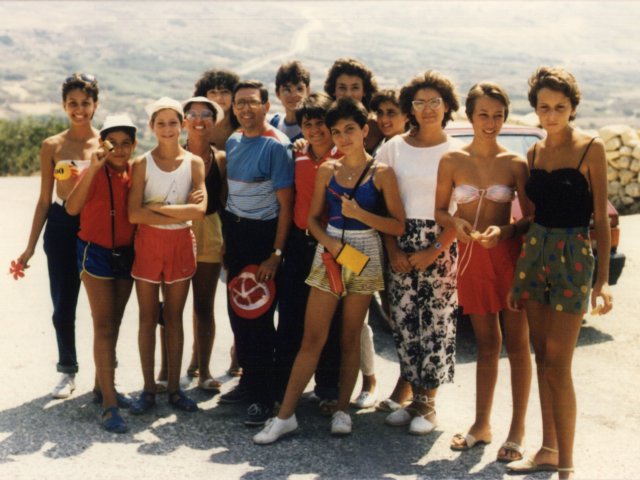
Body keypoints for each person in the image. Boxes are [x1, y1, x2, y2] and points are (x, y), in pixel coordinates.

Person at [253, 97, 405, 444]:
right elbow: (311, 219)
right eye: (336, 131)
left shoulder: (382, 173)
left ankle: (341, 410)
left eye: (350, 130)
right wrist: (332, 245)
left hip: (364, 253)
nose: (343, 137)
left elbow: (397, 226)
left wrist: (362, 215)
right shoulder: (327, 170)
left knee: (349, 337)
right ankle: (284, 416)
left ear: (365, 131)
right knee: (312, 337)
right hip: (331, 250)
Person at [506, 67, 613, 480]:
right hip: (535, 253)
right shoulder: (533, 154)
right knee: (540, 356)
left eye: (560, 107)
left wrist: (601, 282)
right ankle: (548, 449)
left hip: (573, 255)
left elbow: (601, 221)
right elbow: (531, 217)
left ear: (573, 108)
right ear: (535, 108)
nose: (552, 115)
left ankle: (566, 465)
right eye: (544, 107)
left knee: (558, 365)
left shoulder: (592, 148)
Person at [434, 82, 533, 462]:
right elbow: (440, 210)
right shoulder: (452, 161)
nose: (490, 122)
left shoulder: (514, 163)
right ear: (469, 116)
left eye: (497, 115)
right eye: (483, 114)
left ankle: (518, 429)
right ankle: (481, 424)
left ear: (504, 117)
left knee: (518, 346)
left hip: (509, 258)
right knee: (487, 344)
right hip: (471, 260)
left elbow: (530, 218)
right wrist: (455, 224)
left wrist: (505, 231)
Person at [377, 71, 460, 436]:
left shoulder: (456, 150)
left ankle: (429, 404)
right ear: (410, 107)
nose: (427, 109)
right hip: (399, 237)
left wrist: (436, 249)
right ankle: (413, 397)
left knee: (437, 324)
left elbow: (463, 210)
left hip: (441, 241)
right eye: (419, 102)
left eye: (435, 102)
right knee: (405, 320)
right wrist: (392, 246)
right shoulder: (393, 147)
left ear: (447, 106)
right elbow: (380, 201)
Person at [17, 73, 100, 399]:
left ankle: (107, 376)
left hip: (95, 228)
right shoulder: (52, 145)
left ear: (95, 104)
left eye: (85, 103)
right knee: (63, 305)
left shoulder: (104, 143)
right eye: (72, 104)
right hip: (61, 227)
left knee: (102, 308)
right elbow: (43, 200)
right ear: (64, 105)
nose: (79, 109)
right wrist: (29, 247)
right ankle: (67, 370)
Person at [219, 80, 293, 427]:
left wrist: (275, 253)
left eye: (252, 102)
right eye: (239, 103)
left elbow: (285, 205)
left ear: (266, 106)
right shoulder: (234, 140)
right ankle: (248, 382)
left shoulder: (277, 146)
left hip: (264, 238)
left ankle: (264, 397)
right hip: (236, 235)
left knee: (260, 317)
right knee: (239, 311)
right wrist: (226, 240)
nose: (245, 109)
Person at [127, 97, 207, 415]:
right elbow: (134, 214)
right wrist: (177, 211)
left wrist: (157, 208)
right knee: (148, 319)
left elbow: (199, 211)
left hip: (180, 244)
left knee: (174, 318)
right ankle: (149, 389)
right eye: (161, 123)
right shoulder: (142, 164)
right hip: (148, 243)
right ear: (152, 127)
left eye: (173, 122)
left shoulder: (194, 163)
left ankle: (174, 389)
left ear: (183, 124)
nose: (168, 129)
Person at [65, 114, 137, 432]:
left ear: (134, 145)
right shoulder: (93, 170)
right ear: (102, 144)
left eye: (125, 144)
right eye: (113, 144)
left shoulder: (138, 172)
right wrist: (93, 168)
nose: (119, 150)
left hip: (126, 254)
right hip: (95, 253)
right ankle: (109, 404)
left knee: (114, 323)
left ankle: (101, 387)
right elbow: (71, 208)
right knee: (104, 325)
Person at [273, 92, 343, 415]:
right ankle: (286, 387)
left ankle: (328, 389)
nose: (314, 130)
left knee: (331, 323)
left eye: (320, 123)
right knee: (290, 318)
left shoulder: (344, 157)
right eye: (307, 124)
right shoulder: (295, 155)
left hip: (334, 246)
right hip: (301, 246)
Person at [193, 68, 242, 377]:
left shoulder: (242, 132)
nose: (220, 97)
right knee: (203, 296)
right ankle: (198, 357)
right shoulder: (199, 131)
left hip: (237, 217)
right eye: (214, 92)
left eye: (226, 92)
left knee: (237, 292)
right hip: (207, 217)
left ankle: (239, 355)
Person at [323, 57, 382, 153]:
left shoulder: (375, 125)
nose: (348, 94)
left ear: (364, 91)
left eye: (355, 88)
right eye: (342, 87)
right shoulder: (323, 122)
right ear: (334, 90)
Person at [193, 69, 240, 151]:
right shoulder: (198, 126)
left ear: (234, 95)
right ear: (204, 96)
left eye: (224, 92)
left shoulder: (243, 125)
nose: (219, 98)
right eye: (213, 93)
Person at [269, 60, 311, 142]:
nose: (294, 95)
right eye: (287, 90)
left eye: (299, 89)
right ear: (278, 93)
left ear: (308, 91)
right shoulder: (273, 124)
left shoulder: (314, 130)